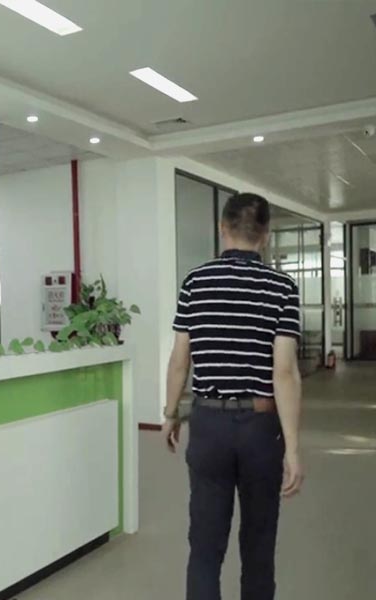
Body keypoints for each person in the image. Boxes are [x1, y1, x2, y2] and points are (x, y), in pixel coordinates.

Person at [163, 193, 304, 600]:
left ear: (222, 229)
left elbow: (180, 360)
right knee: (259, 545)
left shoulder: (196, 282)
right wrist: (293, 448)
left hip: (208, 425)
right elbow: (284, 372)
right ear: (266, 235)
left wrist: (170, 414)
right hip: (261, 428)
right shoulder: (282, 288)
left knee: (205, 547)